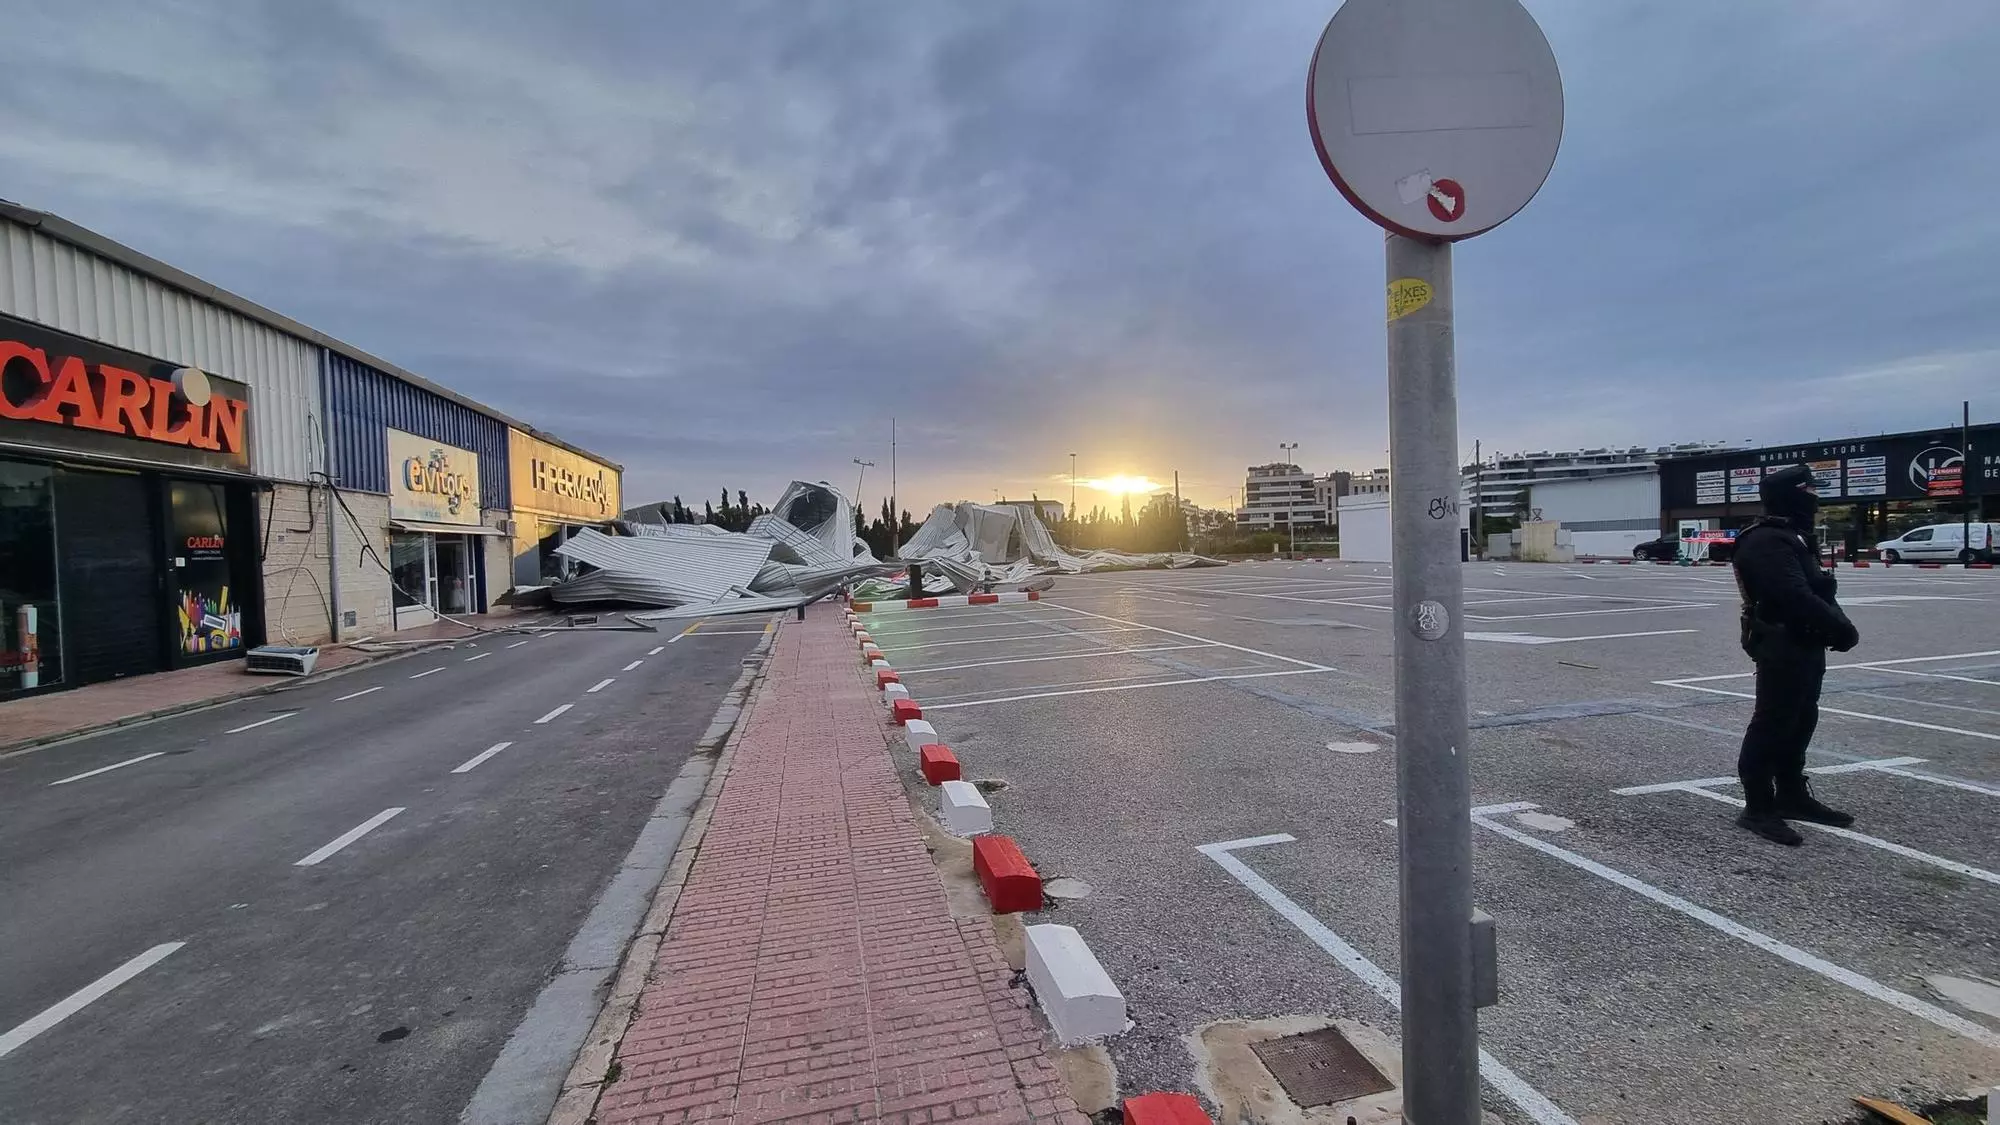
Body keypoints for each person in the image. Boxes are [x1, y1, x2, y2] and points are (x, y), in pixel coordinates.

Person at [1731, 463, 1861, 846]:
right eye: (1810, 493)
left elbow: (1818, 590)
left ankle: (1791, 793)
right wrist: (1840, 627)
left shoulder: (1794, 537)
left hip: (1805, 642)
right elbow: (1792, 595)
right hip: (1779, 642)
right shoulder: (1767, 541)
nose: (1816, 501)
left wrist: (1833, 623)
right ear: (1792, 496)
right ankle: (1758, 807)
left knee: (1802, 718)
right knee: (1772, 722)